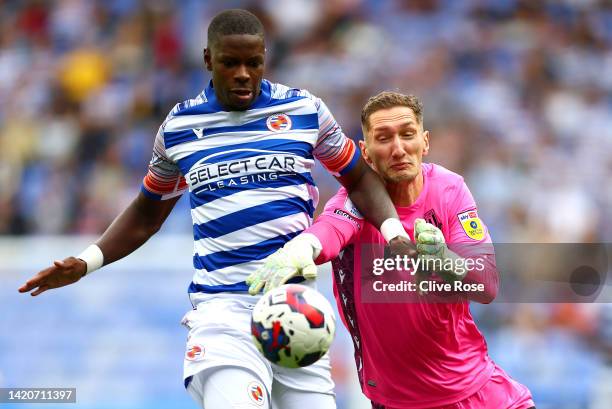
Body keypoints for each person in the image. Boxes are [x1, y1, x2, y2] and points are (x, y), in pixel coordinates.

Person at [18, 9, 416, 409]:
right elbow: (146, 213)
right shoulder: (180, 128)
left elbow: (360, 177)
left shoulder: (304, 111)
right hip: (224, 314)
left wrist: (394, 233)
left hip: (295, 309)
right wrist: (86, 262)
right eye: (230, 62)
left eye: (253, 62)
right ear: (209, 59)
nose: (243, 73)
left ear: (265, 58)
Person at [247, 91, 536, 408]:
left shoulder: (450, 189)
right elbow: (331, 228)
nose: (398, 149)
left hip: (479, 391)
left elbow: (486, 284)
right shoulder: (356, 203)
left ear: (424, 142)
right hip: (398, 401)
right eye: (383, 138)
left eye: (407, 135)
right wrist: (305, 245)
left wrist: (443, 258)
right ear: (365, 152)